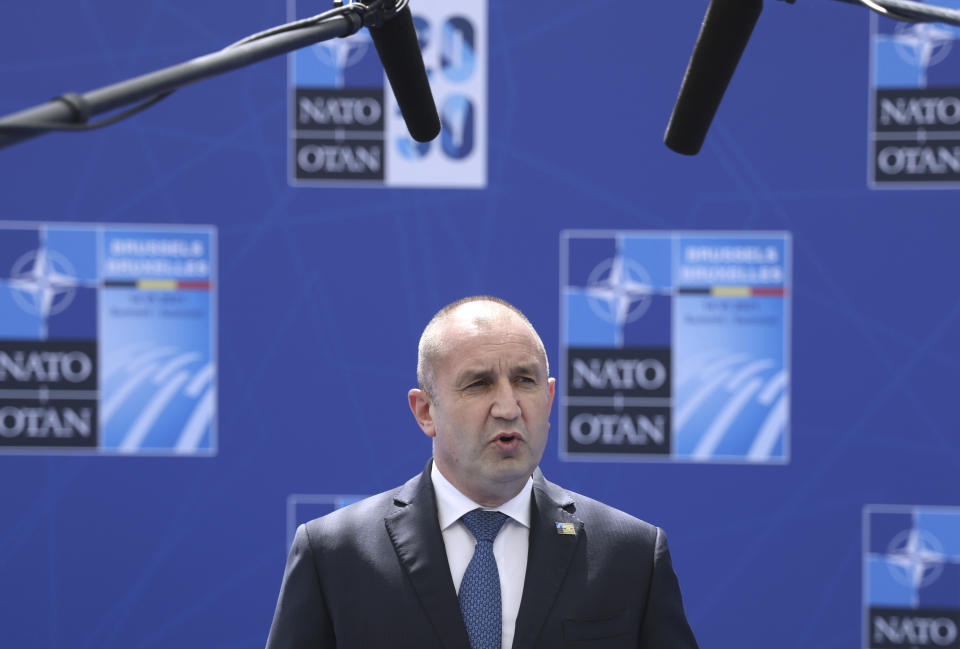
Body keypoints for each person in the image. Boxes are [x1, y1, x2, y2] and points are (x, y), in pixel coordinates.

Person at [265, 296, 699, 649]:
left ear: (548, 399)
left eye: (525, 381)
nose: (509, 407)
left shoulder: (631, 555)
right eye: (479, 384)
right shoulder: (334, 554)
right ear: (425, 411)